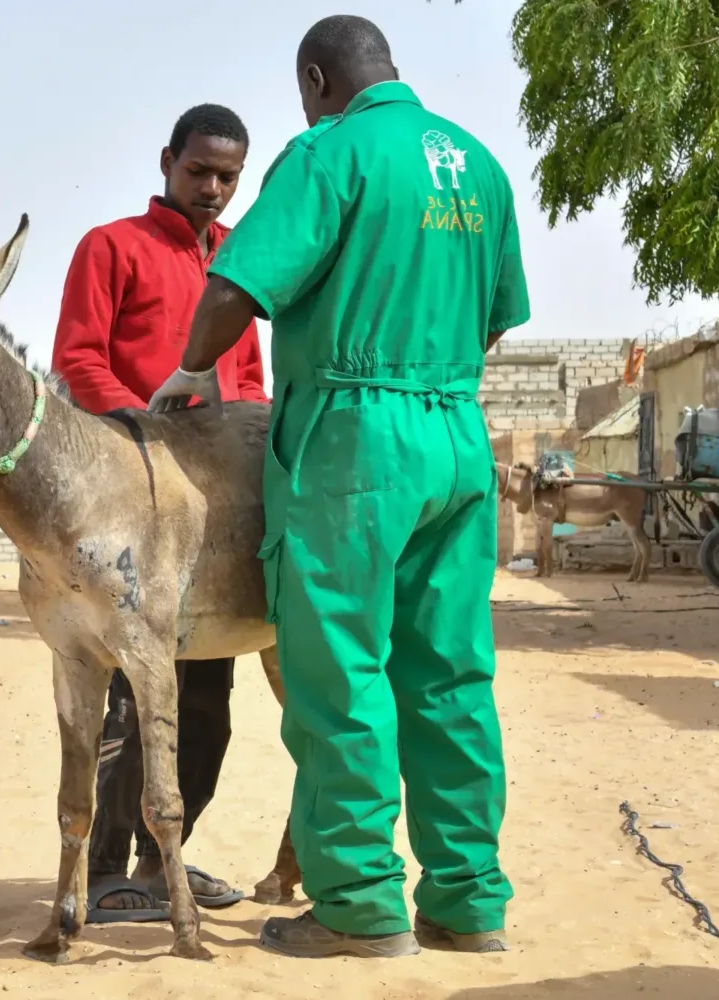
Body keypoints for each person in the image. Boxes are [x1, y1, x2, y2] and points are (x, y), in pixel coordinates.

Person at [149, 15, 529, 959]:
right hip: (456, 431)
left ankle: (359, 906)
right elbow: (494, 320)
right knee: (450, 672)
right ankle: (467, 901)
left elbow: (237, 290)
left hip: (355, 445)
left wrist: (195, 370)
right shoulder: (479, 165)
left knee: (340, 672)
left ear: (317, 79)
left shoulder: (328, 154)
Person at [48, 102, 270, 923]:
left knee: (206, 704)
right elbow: (76, 361)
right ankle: (104, 872)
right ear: (165, 162)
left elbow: (245, 381)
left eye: (227, 177)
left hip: (209, 516)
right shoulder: (111, 247)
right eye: (198, 172)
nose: (212, 189)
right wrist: (150, 426)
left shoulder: (240, 268)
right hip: (125, 508)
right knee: (124, 700)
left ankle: (161, 860)